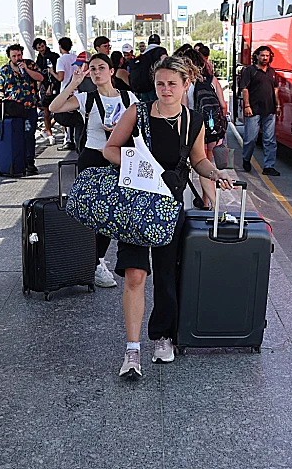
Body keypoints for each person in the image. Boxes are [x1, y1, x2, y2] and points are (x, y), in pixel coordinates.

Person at [103, 55, 234, 379]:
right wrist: (138, 165)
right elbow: (110, 149)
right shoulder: (139, 113)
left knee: (166, 274)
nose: (165, 89)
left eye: (172, 84)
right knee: (135, 275)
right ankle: (132, 350)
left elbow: (198, 159)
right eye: (160, 83)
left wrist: (215, 173)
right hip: (135, 204)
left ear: (185, 85)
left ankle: (163, 337)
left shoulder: (193, 120)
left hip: (170, 206)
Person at [49, 54, 139, 289]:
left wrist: (121, 130)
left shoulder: (129, 97)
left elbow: (139, 128)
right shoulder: (86, 98)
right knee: (91, 213)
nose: (97, 72)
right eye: (93, 69)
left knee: (110, 213)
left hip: (120, 158)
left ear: (112, 71)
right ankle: (91, 261)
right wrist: (74, 82)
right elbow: (54, 107)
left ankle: (96, 260)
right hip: (92, 158)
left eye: (101, 68)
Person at [179, 48, 229, 208]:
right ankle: (208, 201)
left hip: (196, 128)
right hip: (213, 128)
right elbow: (223, 104)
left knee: (201, 164)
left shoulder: (186, 82)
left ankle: (207, 202)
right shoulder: (212, 80)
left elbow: (184, 107)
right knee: (208, 164)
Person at [0, 44, 45, 175]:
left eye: (19, 55)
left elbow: (41, 78)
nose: (17, 58)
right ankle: (17, 163)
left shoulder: (30, 65)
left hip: (29, 107)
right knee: (16, 136)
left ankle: (29, 163)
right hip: (12, 111)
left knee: (29, 135)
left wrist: (26, 70)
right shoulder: (4, 70)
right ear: (9, 57)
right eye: (14, 56)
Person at [240, 45, 280, 176]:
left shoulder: (272, 72)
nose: (265, 58)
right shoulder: (250, 71)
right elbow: (244, 89)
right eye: (262, 55)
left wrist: (278, 105)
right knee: (250, 138)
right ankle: (246, 158)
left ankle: (269, 166)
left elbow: (275, 90)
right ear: (256, 56)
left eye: (267, 56)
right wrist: (247, 106)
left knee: (270, 139)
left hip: (269, 110)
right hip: (253, 109)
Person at [33, 38, 61, 146]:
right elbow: (39, 75)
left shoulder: (54, 56)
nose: (41, 49)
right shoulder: (39, 59)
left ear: (45, 45)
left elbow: (56, 72)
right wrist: (38, 88)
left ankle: (49, 130)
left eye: (42, 46)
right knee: (46, 112)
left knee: (59, 110)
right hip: (44, 86)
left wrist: (51, 86)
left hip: (54, 85)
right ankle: (49, 133)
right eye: (39, 48)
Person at [54, 37, 78, 151]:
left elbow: (60, 77)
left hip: (66, 91)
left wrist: (51, 72)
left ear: (60, 47)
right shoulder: (76, 58)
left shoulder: (61, 60)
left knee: (66, 117)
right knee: (75, 116)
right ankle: (75, 139)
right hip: (77, 90)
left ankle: (69, 140)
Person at [128, 34, 168, 103]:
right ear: (159, 42)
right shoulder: (160, 50)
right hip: (152, 88)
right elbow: (166, 63)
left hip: (140, 88)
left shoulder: (142, 55)